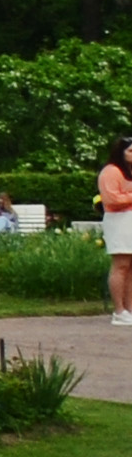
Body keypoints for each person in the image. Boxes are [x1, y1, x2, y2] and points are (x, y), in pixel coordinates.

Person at [100, 138, 132, 328]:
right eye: (130, 151)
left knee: (131, 267)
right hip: (119, 221)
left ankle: (129, 308)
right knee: (121, 264)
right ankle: (119, 310)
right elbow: (111, 198)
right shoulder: (111, 171)